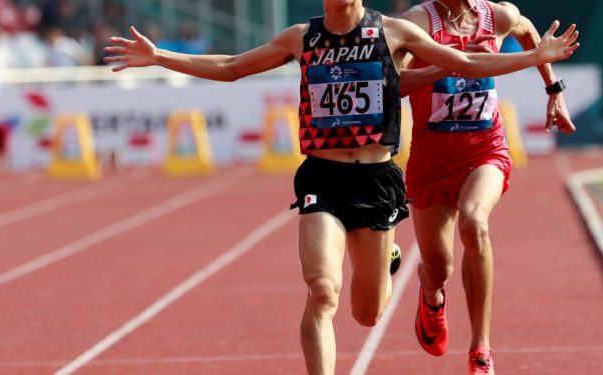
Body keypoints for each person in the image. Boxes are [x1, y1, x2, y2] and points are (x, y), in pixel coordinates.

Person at [103, 1, 578, 373]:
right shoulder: (301, 37)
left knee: (368, 314)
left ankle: (389, 262)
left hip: (376, 180)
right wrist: (160, 56)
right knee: (323, 290)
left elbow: (467, 64)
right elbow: (231, 66)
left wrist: (538, 61)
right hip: (322, 179)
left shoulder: (394, 31)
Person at [398, 1, 577, 373]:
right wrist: (450, 62)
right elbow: (395, 84)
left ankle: (481, 349)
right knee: (438, 268)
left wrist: (554, 89)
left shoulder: (498, 16)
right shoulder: (418, 22)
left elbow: (529, 34)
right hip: (431, 160)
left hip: (485, 148)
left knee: (474, 222)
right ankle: (431, 296)